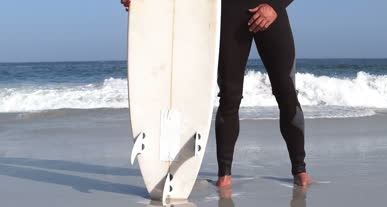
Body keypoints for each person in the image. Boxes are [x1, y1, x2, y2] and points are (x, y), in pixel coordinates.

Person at [121, 0, 313, 187]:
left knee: (286, 92)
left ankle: (299, 170)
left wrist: (275, 5)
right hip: (228, 14)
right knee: (230, 96)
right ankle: (224, 175)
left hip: (272, 12)